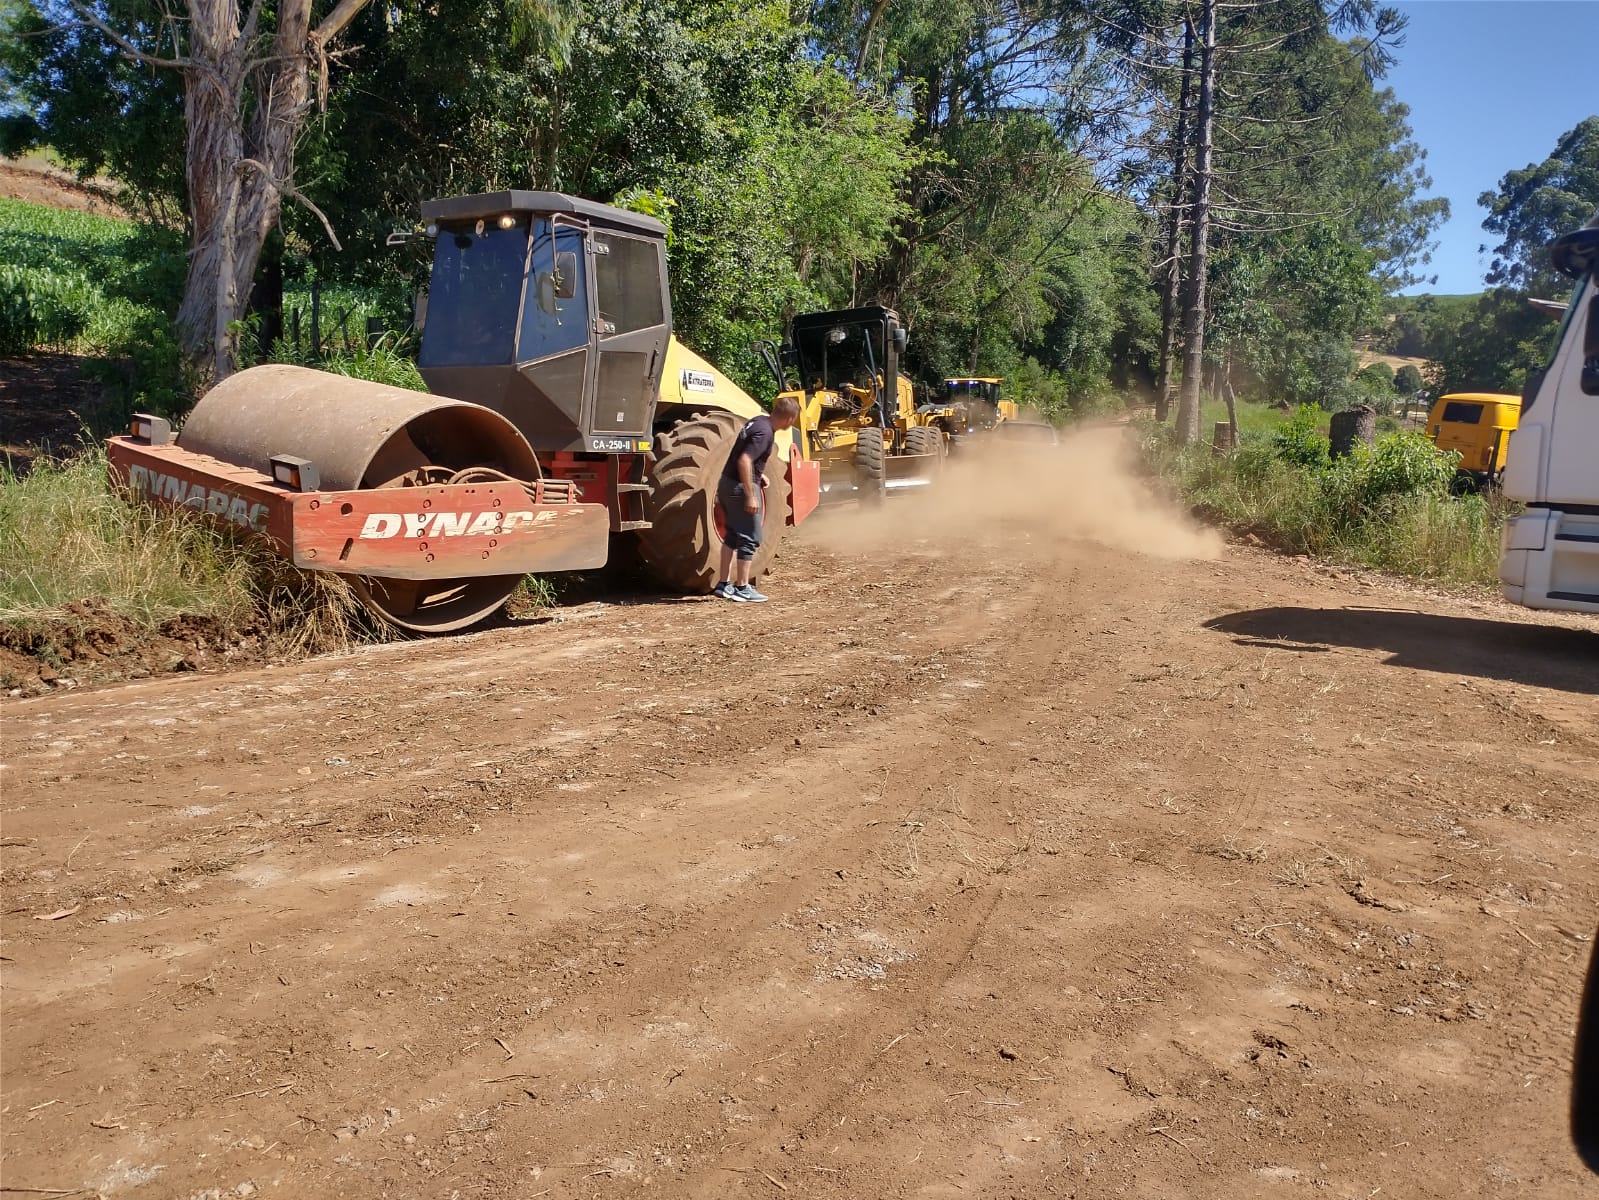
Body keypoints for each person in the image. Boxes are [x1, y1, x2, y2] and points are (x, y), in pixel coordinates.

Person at [713, 397, 801, 603]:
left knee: (732, 535)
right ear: (789, 419)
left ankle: (723, 584)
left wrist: (759, 475)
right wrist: (750, 495)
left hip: (726, 483)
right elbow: (745, 460)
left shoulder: (757, 421)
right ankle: (742, 587)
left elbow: (740, 454)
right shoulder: (765, 433)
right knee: (751, 537)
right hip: (740, 488)